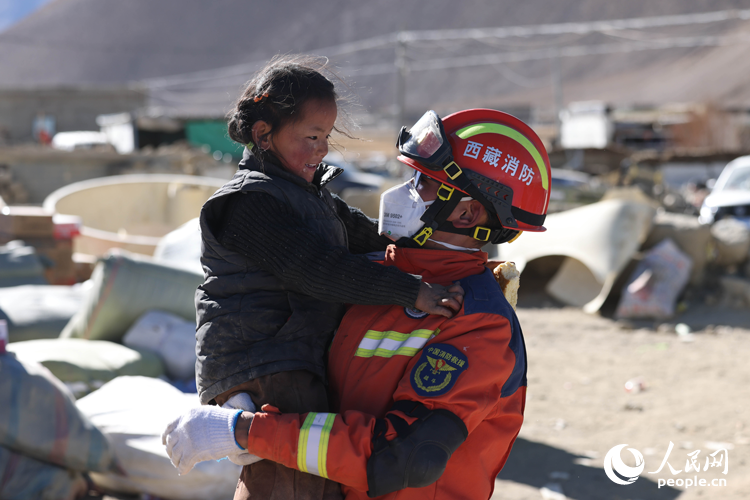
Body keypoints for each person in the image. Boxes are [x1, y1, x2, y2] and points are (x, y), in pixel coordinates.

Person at [165, 108, 551, 499]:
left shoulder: (478, 324)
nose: (403, 192)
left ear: (468, 213)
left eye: (423, 183)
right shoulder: (369, 275)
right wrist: (237, 393)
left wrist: (245, 432)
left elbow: (403, 455)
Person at [193, 56, 463, 500]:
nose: (322, 149)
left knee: (313, 479)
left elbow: (373, 242)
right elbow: (317, 271)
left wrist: (451, 263)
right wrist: (413, 291)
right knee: (288, 483)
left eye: (326, 137)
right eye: (311, 137)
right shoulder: (248, 204)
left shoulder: (312, 199)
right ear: (264, 134)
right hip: (265, 363)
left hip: (294, 356)